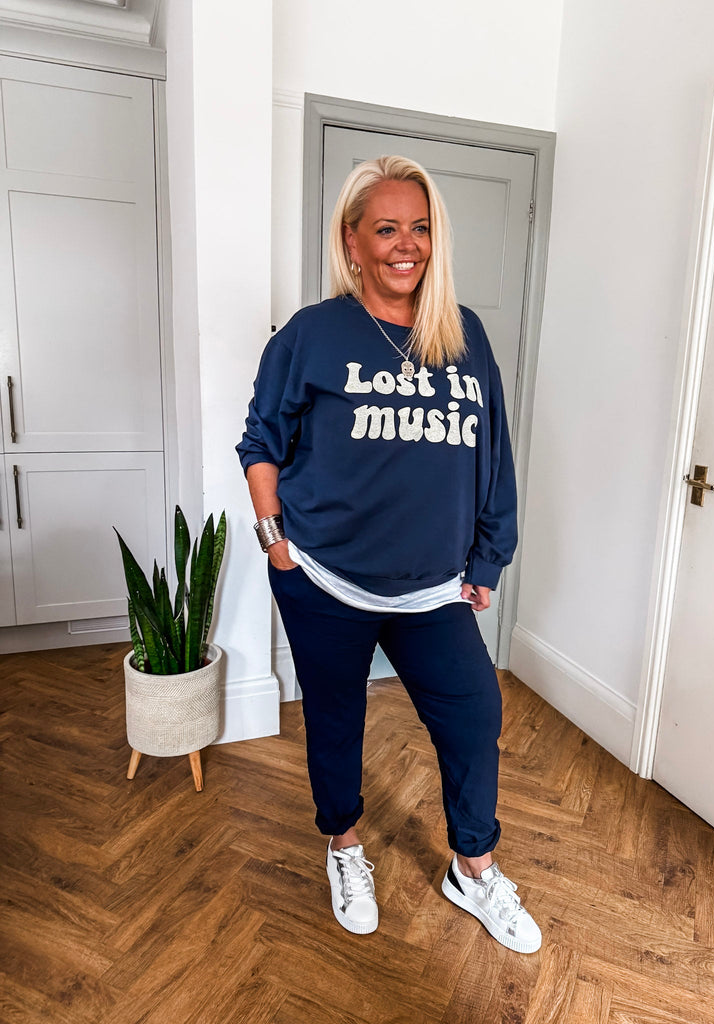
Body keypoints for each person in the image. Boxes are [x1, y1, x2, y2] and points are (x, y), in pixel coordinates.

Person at [236, 155, 541, 953]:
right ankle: (344, 846)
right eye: (387, 229)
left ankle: (473, 868)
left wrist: (488, 557)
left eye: (421, 228)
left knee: (474, 716)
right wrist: (275, 542)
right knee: (336, 721)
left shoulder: (463, 334)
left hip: (432, 589)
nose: (407, 245)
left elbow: (493, 453)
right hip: (325, 578)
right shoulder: (312, 334)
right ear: (353, 241)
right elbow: (260, 440)